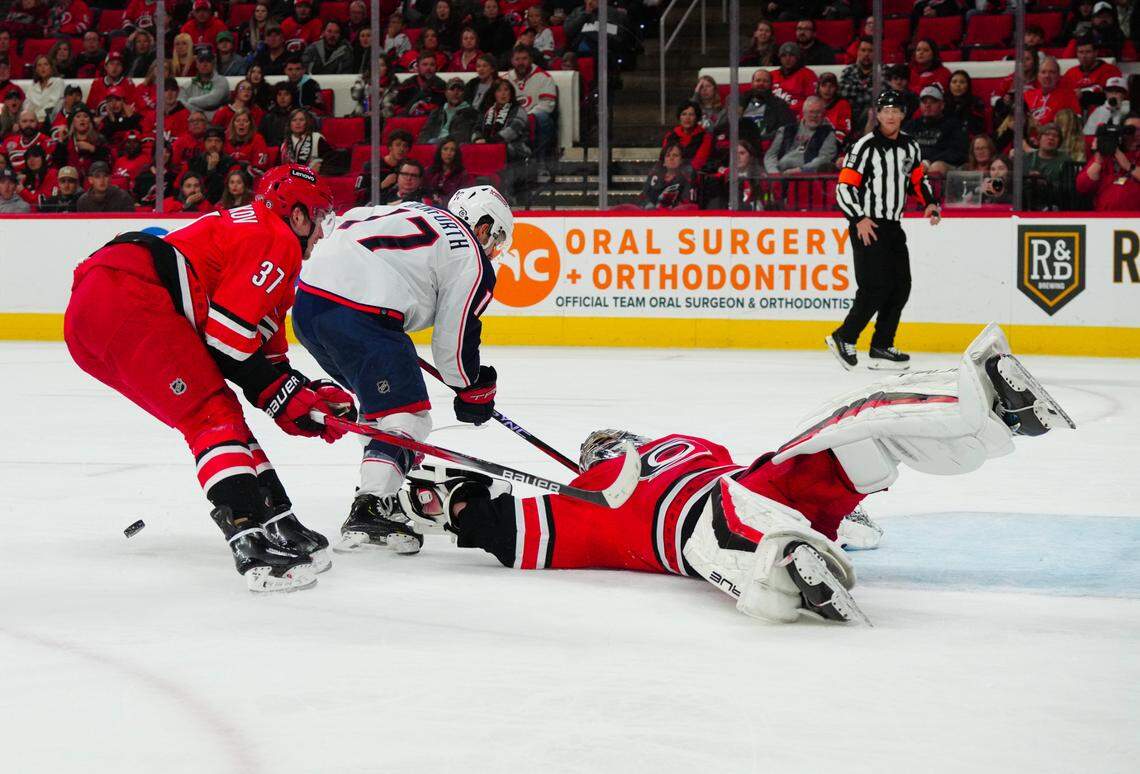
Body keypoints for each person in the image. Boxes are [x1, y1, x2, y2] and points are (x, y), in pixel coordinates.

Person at [396, 325, 1072, 625]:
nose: (609, 446)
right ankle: (991, 406)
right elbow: (499, 525)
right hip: (753, 496)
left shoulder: (612, 483)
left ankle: (990, 399)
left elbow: (499, 527)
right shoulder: (635, 474)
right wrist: (454, 499)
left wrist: (453, 502)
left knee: (844, 440)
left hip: (732, 505)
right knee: (854, 436)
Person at [65, 165, 349, 593]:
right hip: (127, 294)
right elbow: (228, 342)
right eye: (320, 217)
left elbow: (263, 364)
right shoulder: (276, 239)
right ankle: (249, 537)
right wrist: (282, 397)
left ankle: (276, 518)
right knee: (209, 414)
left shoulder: (262, 245)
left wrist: (302, 396)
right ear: (297, 214)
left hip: (98, 311)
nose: (323, 233)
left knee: (219, 409)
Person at [291, 186, 510, 554]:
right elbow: (453, 348)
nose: (493, 249)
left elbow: (339, 226)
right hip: (363, 315)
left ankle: (381, 493)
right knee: (408, 416)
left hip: (308, 306)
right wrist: (472, 386)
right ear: (484, 226)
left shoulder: (409, 209)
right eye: (497, 238)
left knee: (382, 408)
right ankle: (371, 507)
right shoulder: (470, 254)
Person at [828, 89, 941, 371]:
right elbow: (844, 187)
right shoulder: (864, 146)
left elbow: (918, 180)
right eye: (885, 110)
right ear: (877, 115)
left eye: (896, 110)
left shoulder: (910, 147)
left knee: (901, 286)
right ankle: (844, 336)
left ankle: (881, 345)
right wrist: (858, 219)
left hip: (893, 226)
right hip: (868, 224)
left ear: (903, 114)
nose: (891, 115)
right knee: (874, 287)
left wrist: (929, 203)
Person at [504, 46, 557, 161]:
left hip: (533, 118)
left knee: (543, 118)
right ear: (512, 61)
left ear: (531, 60)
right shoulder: (505, 79)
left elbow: (547, 105)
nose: (521, 63)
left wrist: (526, 117)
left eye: (524, 59)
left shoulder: (544, 77)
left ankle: (541, 162)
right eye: (517, 59)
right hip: (511, 119)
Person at [903, 85, 969, 176]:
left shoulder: (953, 125)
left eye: (933, 102)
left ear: (942, 105)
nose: (927, 105)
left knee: (936, 167)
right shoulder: (911, 125)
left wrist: (929, 161)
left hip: (942, 165)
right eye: (924, 102)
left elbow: (957, 152)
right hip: (915, 162)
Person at [1076, 118, 1140, 211]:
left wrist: (1128, 166)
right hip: (1106, 218)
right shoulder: (1107, 154)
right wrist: (1098, 160)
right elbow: (1082, 187)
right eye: (1131, 129)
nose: (1137, 133)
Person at [764, 96, 838, 175]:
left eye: (818, 112)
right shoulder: (785, 130)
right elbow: (770, 156)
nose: (814, 116)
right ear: (804, 113)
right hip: (780, 173)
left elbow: (824, 159)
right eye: (811, 112)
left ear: (823, 114)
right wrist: (774, 174)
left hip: (806, 177)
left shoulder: (828, 133)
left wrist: (801, 170)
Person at [355, 128, 414, 205]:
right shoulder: (372, 166)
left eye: (405, 146)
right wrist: (382, 185)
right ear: (390, 147)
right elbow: (359, 194)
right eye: (398, 145)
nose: (401, 149)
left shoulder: (410, 167)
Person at [740, 68, 796, 145]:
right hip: (741, 142)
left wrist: (763, 139)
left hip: (766, 143)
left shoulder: (780, 104)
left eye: (765, 81)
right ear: (752, 83)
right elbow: (723, 124)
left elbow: (786, 128)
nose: (761, 84)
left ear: (771, 84)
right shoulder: (740, 101)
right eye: (758, 80)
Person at [419, 78, 479, 145]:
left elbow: (462, 135)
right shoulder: (437, 112)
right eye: (452, 89)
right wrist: (423, 146)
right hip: (432, 145)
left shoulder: (471, 113)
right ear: (446, 93)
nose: (456, 93)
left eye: (460, 90)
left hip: (454, 147)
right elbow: (426, 131)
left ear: (464, 94)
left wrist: (440, 143)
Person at [639, 142, 696, 209]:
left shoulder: (687, 180)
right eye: (668, 155)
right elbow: (643, 198)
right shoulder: (653, 177)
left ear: (681, 160)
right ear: (664, 162)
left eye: (675, 155)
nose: (671, 158)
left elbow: (688, 204)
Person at [188, 126, 237, 202]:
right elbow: (180, 186)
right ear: (204, 143)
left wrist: (212, 170)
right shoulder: (194, 162)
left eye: (217, 141)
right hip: (196, 201)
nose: (213, 144)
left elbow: (226, 190)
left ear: (223, 144)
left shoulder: (231, 163)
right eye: (209, 141)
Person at [662, 101, 712, 173]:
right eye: (684, 114)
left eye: (691, 115)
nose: (687, 118)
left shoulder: (705, 137)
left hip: (693, 176)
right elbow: (664, 158)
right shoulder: (670, 136)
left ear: (697, 118)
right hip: (671, 175)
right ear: (679, 117)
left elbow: (699, 162)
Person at [772, 42, 818, 116]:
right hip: (774, 116)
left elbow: (813, 102)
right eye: (784, 56)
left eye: (791, 55)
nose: (787, 59)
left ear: (798, 57)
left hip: (798, 116)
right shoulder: (772, 75)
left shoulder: (807, 74)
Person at [279, 108, 329, 174]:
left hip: (312, 178)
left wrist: (321, 166)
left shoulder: (316, 138)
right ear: (290, 124)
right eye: (294, 120)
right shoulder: (285, 144)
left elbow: (330, 159)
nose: (298, 123)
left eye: (301, 120)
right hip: (291, 179)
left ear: (307, 122)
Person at [225, 108, 271, 176]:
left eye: (245, 121)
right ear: (233, 124)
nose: (241, 124)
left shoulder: (258, 139)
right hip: (228, 179)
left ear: (250, 124)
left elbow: (260, 167)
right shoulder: (226, 138)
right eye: (238, 121)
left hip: (250, 179)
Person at [945, 69, 985, 136]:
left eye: (962, 82)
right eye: (954, 82)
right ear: (949, 85)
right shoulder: (942, 102)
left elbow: (978, 129)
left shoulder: (975, 103)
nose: (958, 85)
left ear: (968, 85)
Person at [25, 55, 64, 124]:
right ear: (36, 70)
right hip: (33, 121)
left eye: (46, 64)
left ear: (51, 67)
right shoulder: (33, 85)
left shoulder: (58, 82)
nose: (43, 67)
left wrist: (37, 117)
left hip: (50, 120)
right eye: (39, 65)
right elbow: (27, 105)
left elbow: (53, 104)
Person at [816, 73, 850, 146]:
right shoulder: (812, 103)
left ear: (836, 88)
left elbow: (844, 131)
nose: (827, 90)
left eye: (831, 86)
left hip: (834, 145)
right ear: (818, 87)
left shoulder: (843, 104)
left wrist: (830, 144)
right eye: (824, 86)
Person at [260, 83, 297, 148]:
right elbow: (261, 138)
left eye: (286, 94)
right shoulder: (268, 117)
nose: (282, 97)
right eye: (279, 94)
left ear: (292, 96)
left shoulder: (299, 115)